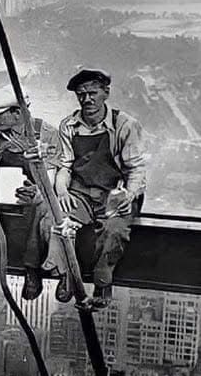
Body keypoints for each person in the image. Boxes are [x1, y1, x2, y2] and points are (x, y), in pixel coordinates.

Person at [45, 69, 146, 306]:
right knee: (60, 223)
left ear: (105, 93)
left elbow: (136, 168)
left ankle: (103, 283)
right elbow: (65, 165)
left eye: (92, 93)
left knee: (113, 230)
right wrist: (62, 192)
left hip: (115, 193)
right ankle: (67, 274)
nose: (87, 100)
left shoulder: (125, 125)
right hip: (81, 192)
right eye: (81, 95)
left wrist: (128, 196)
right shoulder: (69, 125)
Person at [0, 86, 60, 300]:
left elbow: (50, 178)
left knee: (40, 206)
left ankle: (32, 267)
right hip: (1, 188)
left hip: (32, 191)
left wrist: (37, 191)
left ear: (17, 112)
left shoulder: (46, 134)